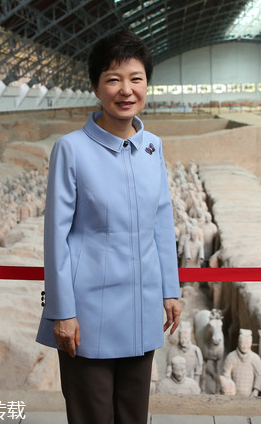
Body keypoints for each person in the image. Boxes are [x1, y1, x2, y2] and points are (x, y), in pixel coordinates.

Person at [36, 29, 181, 424]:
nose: (126, 90)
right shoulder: (72, 149)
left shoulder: (152, 146)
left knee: (134, 415)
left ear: (146, 84)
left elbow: (161, 219)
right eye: (113, 79)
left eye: (136, 79)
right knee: (93, 416)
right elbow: (57, 237)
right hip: (88, 312)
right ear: (97, 87)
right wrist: (62, 312)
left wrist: (170, 288)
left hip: (141, 303)